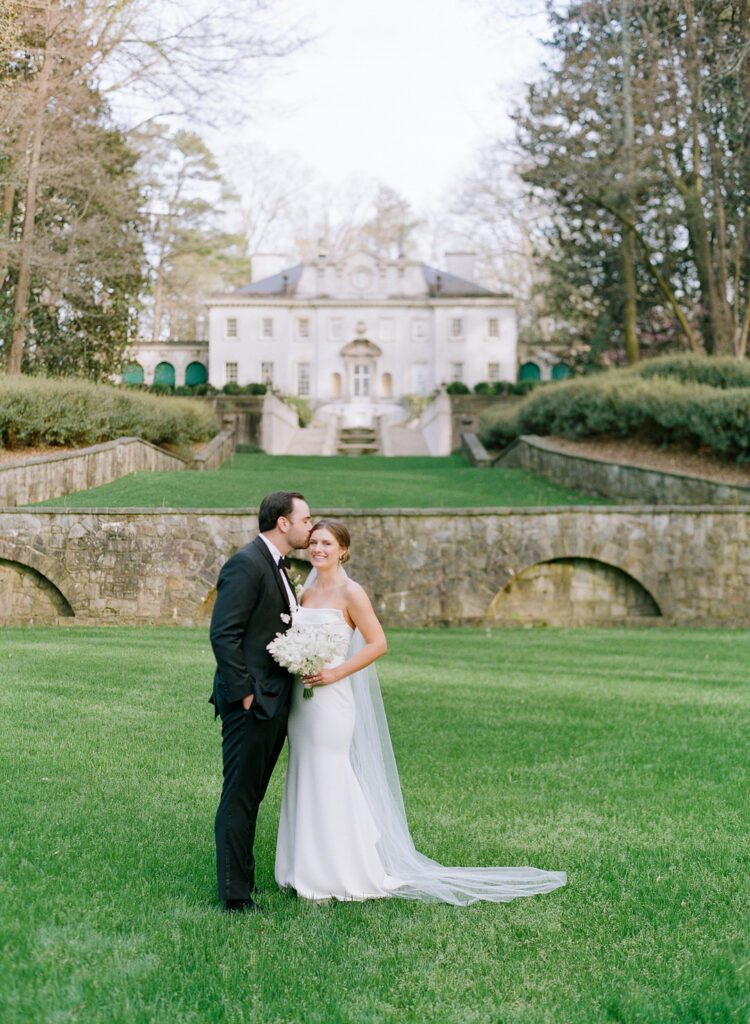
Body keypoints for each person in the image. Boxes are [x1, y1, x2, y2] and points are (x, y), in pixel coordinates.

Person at [275, 519, 567, 905]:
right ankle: (303, 866)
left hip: (333, 698)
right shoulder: (306, 593)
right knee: (304, 770)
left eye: (327, 543)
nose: (318, 549)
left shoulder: (352, 592)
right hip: (302, 701)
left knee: (331, 773)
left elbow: (378, 643)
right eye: (313, 543)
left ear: (343, 549)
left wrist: (335, 672)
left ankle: (340, 870)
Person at [210, 490, 312, 913]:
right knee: (238, 795)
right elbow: (224, 634)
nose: (311, 525)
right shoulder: (246, 564)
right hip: (251, 705)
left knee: (251, 796)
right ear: (282, 523)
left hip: (273, 702)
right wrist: (246, 694)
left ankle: (244, 881)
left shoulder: (276, 566)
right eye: (306, 518)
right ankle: (235, 896)